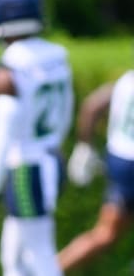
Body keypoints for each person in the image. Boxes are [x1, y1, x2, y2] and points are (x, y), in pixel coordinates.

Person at [0, 0, 74, 276]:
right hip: (50, 156)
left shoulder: (10, 67)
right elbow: (67, 109)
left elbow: (3, 129)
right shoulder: (57, 56)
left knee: (40, 255)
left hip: (26, 166)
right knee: (14, 257)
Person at [57, 76, 134, 271]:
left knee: (105, 234)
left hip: (119, 159)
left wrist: (85, 147)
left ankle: (48, 269)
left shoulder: (126, 80)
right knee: (106, 233)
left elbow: (92, 106)